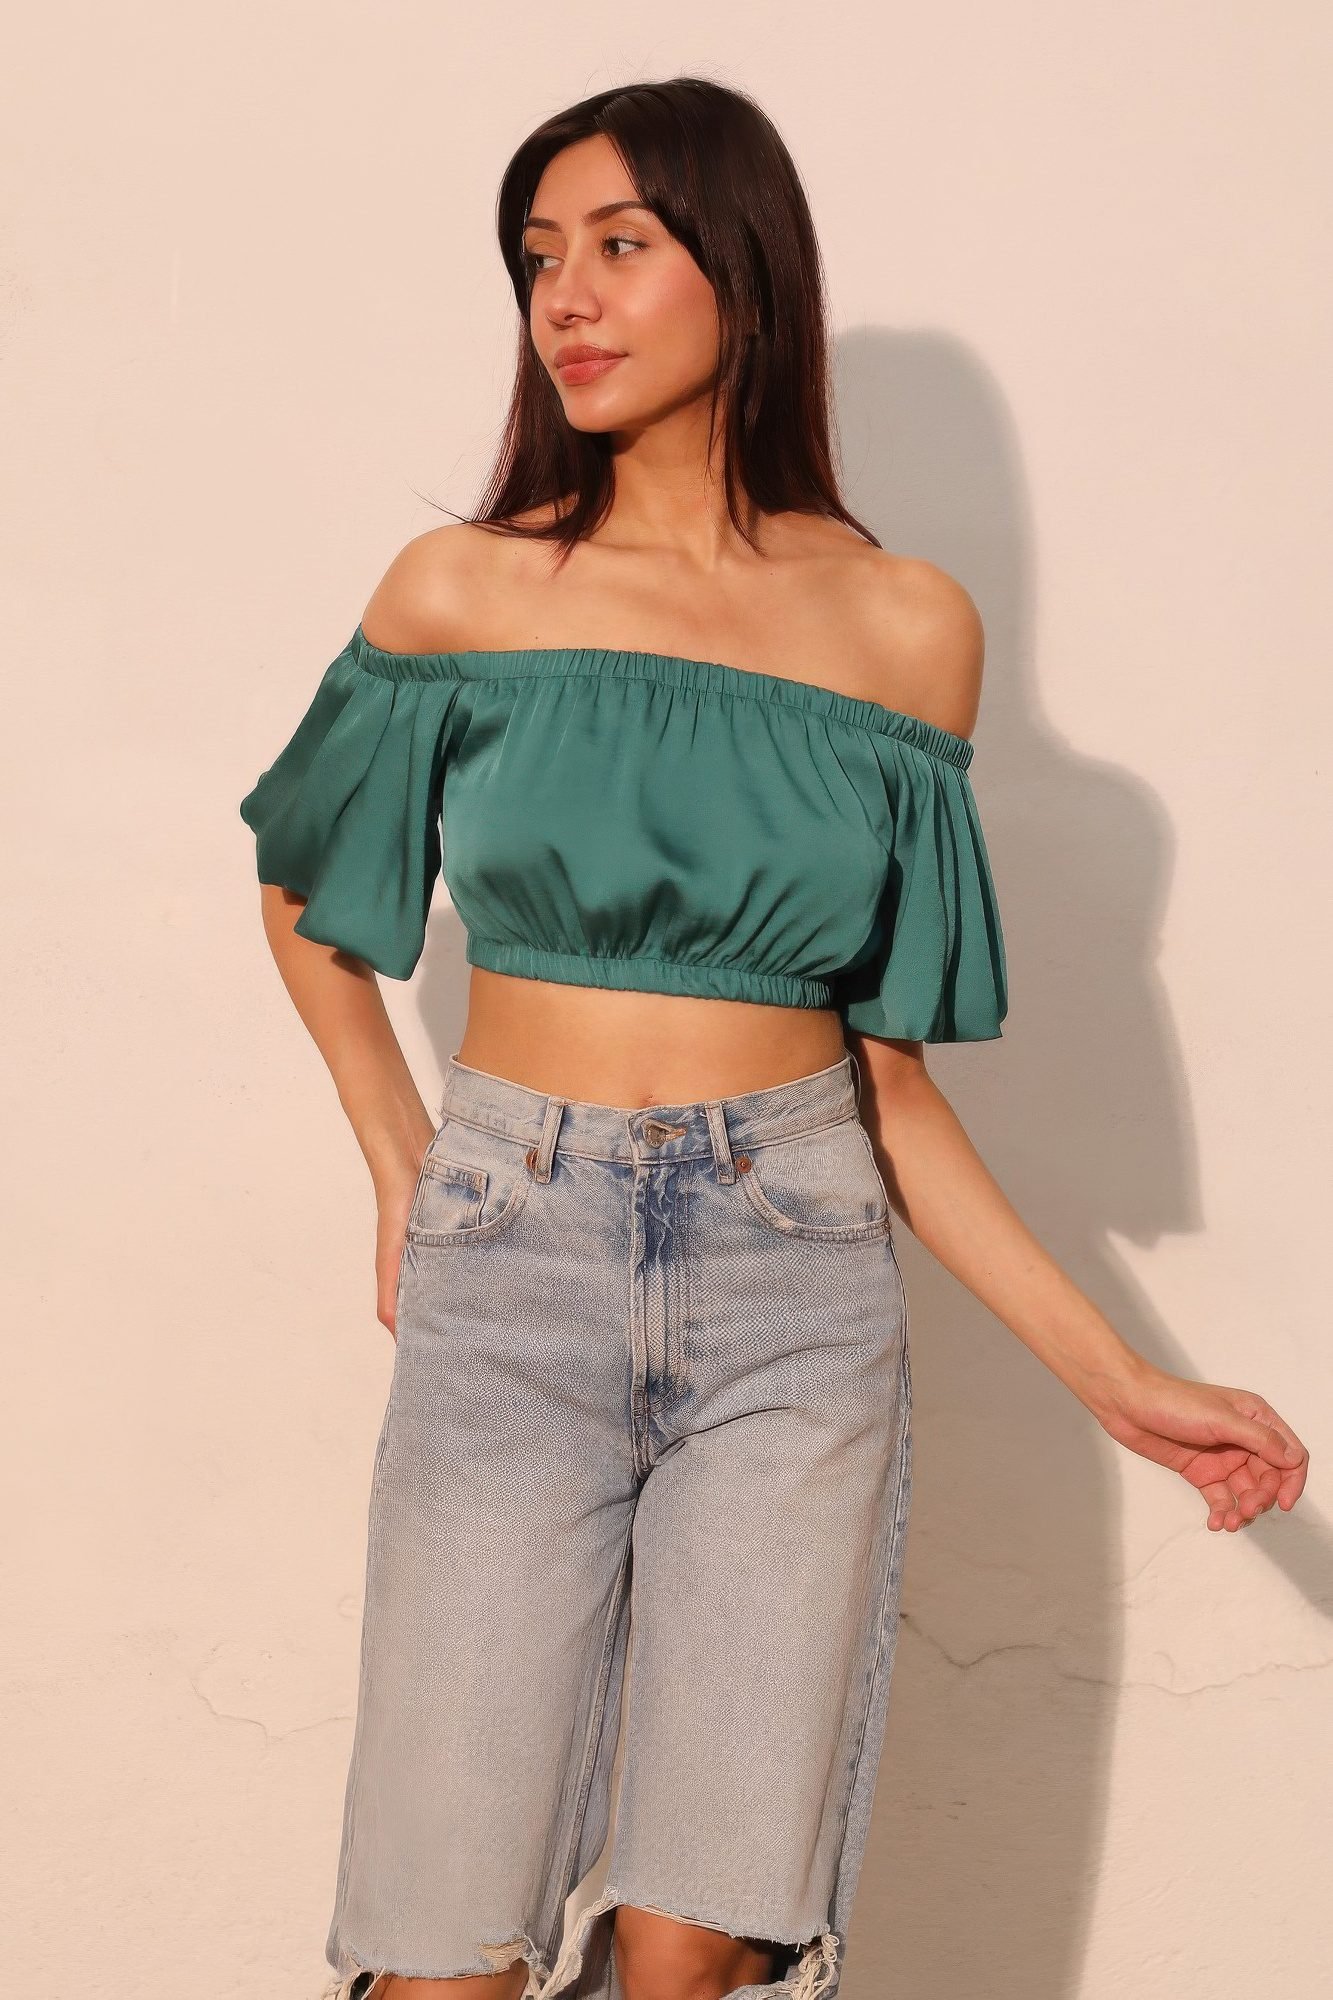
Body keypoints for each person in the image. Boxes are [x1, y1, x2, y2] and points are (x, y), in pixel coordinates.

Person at [237, 76, 1308, 2000]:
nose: (566, 298)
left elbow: (884, 1079)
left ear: (742, 267)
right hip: (514, 1256)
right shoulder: (466, 588)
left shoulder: (901, 628)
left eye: (619, 245)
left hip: (792, 1284)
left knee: (699, 1948)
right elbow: (308, 892)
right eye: (538, 259)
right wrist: (406, 1158)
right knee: (440, 1943)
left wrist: (1116, 1379)